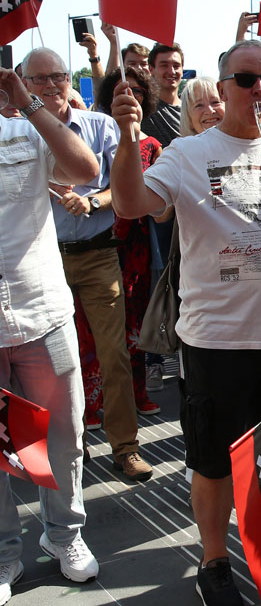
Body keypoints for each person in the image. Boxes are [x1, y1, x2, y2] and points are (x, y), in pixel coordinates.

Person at [110, 39, 261, 606]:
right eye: (246, 79)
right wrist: (124, 136)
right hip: (215, 341)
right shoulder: (188, 153)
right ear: (222, 88)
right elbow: (130, 203)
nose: (260, 89)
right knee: (213, 461)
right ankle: (214, 560)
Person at [28, 47, 154, 482]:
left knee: (113, 354)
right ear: (24, 85)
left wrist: (91, 200)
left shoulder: (100, 127)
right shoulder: (17, 133)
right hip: (42, 261)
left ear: (70, 79)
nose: (50, 86)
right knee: (52, 362)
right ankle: (69, 448)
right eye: (38, 79)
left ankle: (125, 448)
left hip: (100, 255)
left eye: (58, 76)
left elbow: (123, 188)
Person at [0, 67, 101, 604]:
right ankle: (2, 555)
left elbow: (85, 169)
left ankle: (66, 536)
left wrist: (27, 102)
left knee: (65, 436)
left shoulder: (25, 128)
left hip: (43, 311)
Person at [80, 66, 163, 416]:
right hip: (99, 241)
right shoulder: (96, 139)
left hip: (139, 246)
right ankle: (94, 401)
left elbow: (160, 200)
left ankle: (137, 393)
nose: (130, 99)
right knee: (96, 329)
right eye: (120, 93)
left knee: (136, 324)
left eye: (138, 93)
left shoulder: (153, 145)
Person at [142, 43, 184, 148]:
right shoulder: (144, 108)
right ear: (151, 69)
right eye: (164, 65)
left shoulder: (194, 108)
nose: (171, 71)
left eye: (176, 66)